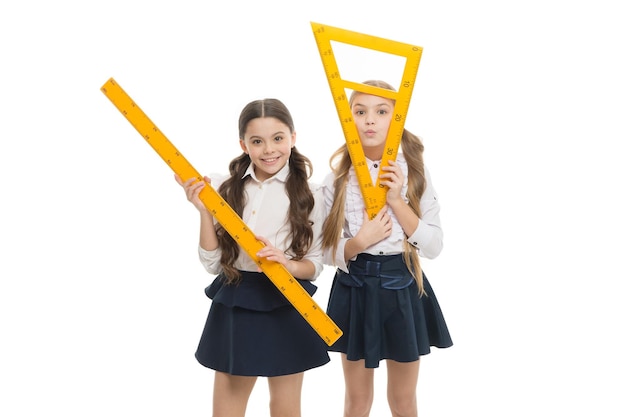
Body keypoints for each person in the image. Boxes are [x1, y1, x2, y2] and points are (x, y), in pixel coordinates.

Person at [175, 98, 330, 417]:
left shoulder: (312, 195)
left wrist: (285, 263)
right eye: (257, 141)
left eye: (278, 138)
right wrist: (204, 213)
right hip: (238, 301)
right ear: (243, 144)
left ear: (293, 137)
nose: (269, 149)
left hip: (287, 302)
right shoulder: (224, 188)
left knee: (286, 409)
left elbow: (315, 266)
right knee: (227, 412)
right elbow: (212, 264)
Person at [321, 80, 453, 417]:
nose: (370, 120)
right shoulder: (336, 178)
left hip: (402, 286)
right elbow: (321, 250)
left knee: (404, 400)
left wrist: (396, 200)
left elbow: (435, 246)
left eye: (381, 112)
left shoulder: (416, 174)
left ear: (396, 119)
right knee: (356, 401)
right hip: (355, 287)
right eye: (360, 111)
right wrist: (358, 242)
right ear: (348, 118)